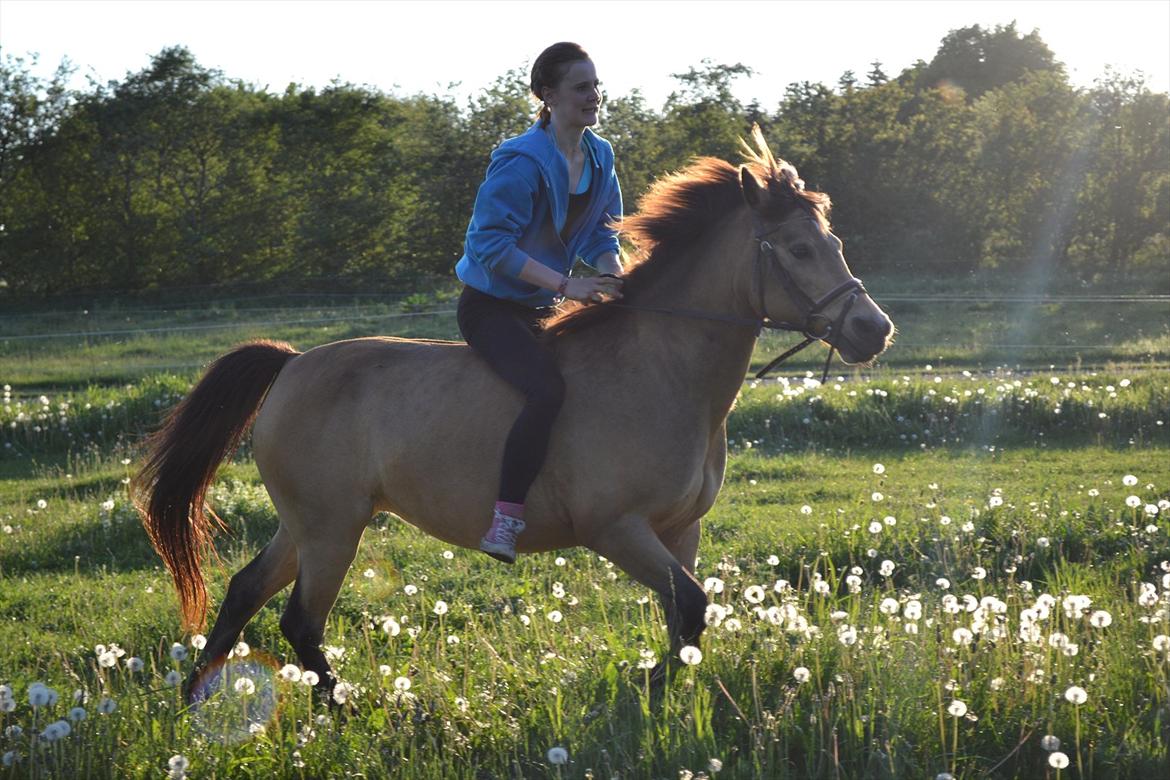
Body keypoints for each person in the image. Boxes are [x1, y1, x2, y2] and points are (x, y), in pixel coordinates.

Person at [455, 42, 625, 563]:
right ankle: (505, 520)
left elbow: (602, 233)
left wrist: (614, 277)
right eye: (581, 87)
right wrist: (567, 286)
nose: (594, 96)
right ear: (548, 96)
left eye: (596, 85)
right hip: (492, 308)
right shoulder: (521, 161)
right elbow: (489, 245)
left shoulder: (600, 155)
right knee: (547, 391)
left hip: (544, 307)